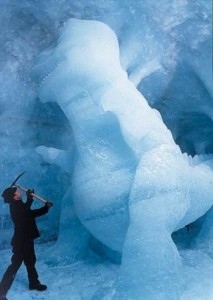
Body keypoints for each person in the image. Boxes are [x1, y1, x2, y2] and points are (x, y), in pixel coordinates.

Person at [0, 186, 52, 300]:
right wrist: (30, 198)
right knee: (15, 265)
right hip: (20, 241)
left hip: (26, 239)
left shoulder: (18, 205)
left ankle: (34, 282)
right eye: (16, 191)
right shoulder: (14, 207)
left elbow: (30, 213)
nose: (19, 191)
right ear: (15, 196)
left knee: (30, 261)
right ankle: (1, 292)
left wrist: (45, 208)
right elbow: (26, 212)